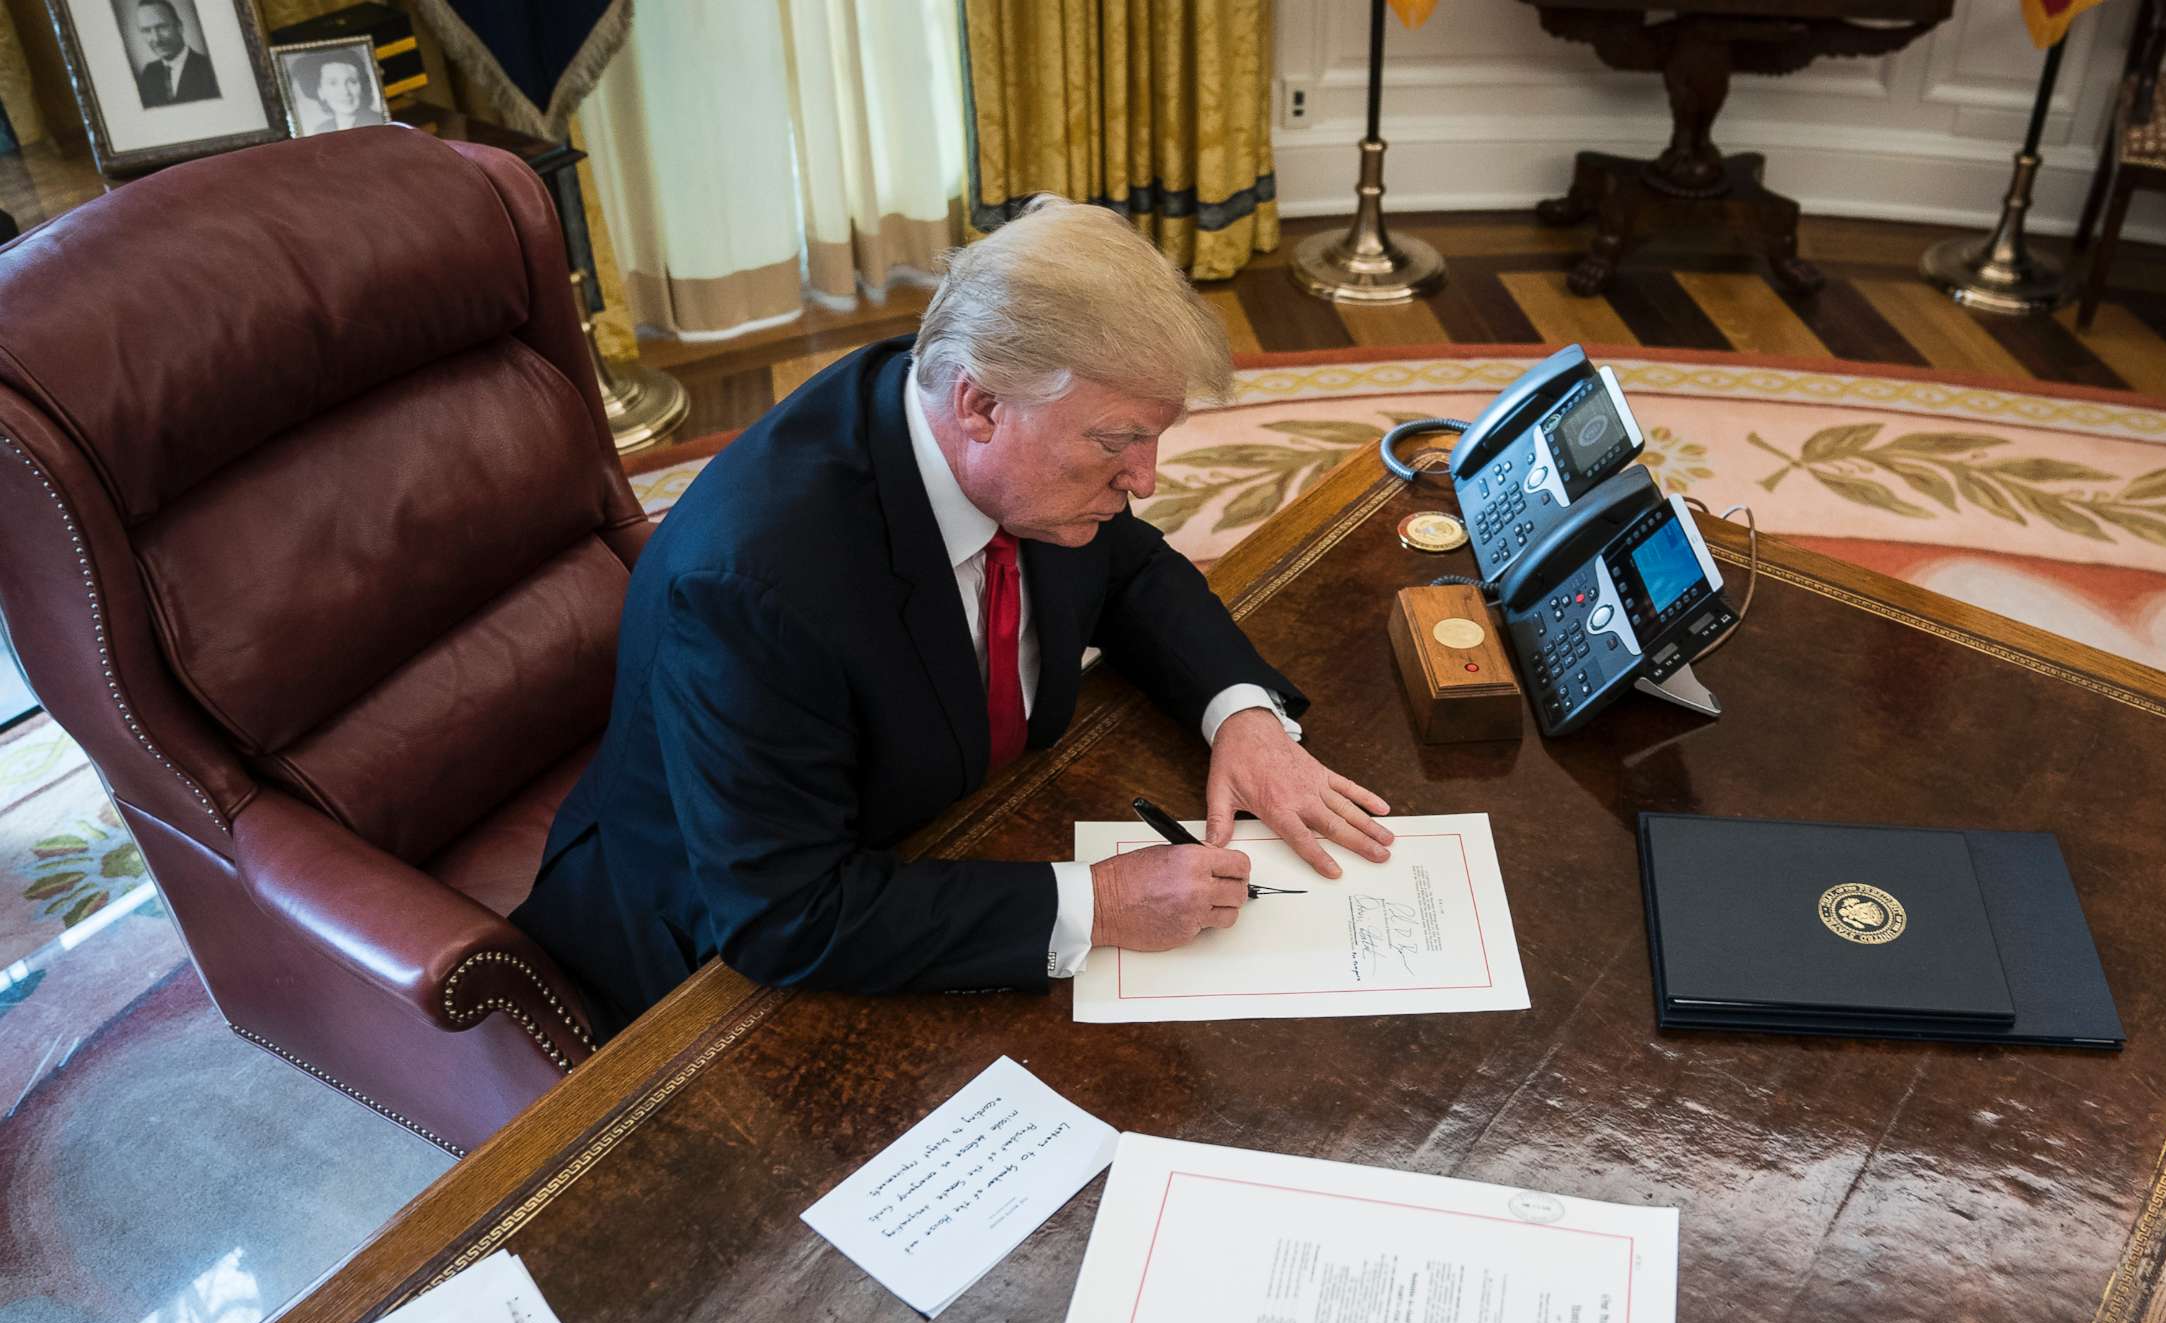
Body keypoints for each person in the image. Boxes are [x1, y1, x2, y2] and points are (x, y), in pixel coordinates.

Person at [515, 198, 1395, 1034]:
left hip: (944, 826)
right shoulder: (753, 590)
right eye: (1117, 442)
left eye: (1154, 439)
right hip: (708, 964)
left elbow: (1126, 569)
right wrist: (1100, 904)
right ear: (978, 407)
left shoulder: (1013, 433)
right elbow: (785, 917)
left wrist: (1242, 715)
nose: (1147, 481)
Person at [131, 0, 216, 107]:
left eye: (162, 27)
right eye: (146, 30)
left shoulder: (209, 69)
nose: (156, 39)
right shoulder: (149, 73)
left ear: (179, 27)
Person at [299, 54, 379, 132]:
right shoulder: (321, 130)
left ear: (362, 86)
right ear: (320, 92)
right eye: (333, 83)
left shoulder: (377, 122)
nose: (345, 91)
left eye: (352, 82)